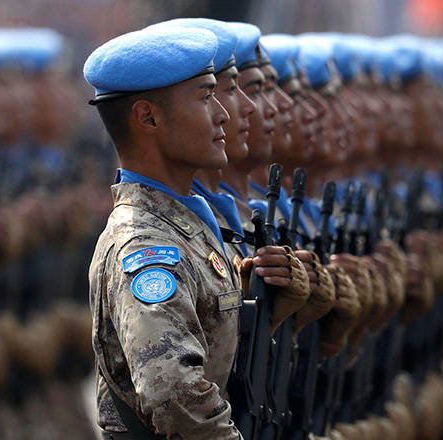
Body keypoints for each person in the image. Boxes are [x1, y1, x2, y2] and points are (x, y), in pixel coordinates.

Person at [83, 25, 299, 438]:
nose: (224, 113)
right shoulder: (146, 245)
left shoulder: (185, 227)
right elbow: (175, 398)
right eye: (205, 96)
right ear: (148, 117)